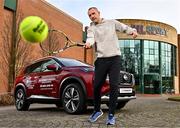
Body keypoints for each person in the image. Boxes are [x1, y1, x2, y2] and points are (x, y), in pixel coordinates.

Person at [85, 7, 138, 125]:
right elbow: (90, 38)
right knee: (97, 86)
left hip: (114, 59)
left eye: (93, 13)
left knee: (114, 85)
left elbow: (124, 28)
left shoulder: (111, 23)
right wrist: (88, 43)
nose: (92, 16)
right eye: (90, 15)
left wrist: (132, 31)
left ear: (99, 13)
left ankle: (111, 115)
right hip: (101, 60)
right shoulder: (91, 28)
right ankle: (97, 110)